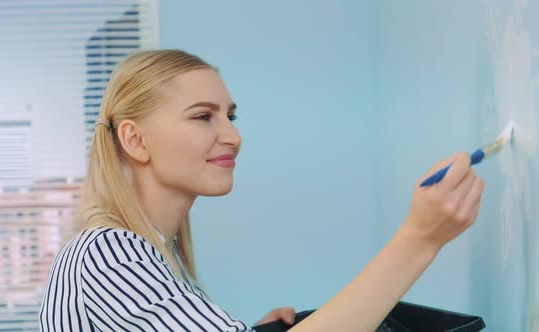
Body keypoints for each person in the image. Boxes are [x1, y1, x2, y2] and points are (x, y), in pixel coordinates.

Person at [39, 49, 484, 331]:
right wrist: (420, 238)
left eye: (231, 115)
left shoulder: (154, 251)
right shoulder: (110, 254)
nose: (232, 136)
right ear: (135, 140)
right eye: (202, 116)